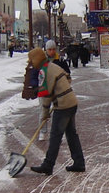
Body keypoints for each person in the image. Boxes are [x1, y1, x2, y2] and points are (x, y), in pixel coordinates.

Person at [28, 47, 85, 175]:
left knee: (55, 136)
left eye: (31, 60)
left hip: (63, 106)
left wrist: (44, 114)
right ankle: (79, 163)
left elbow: (45, 95)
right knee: (71, 134)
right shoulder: (52, 66)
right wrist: (61, 89)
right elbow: (68, 78)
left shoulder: (44, 71)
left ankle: (48, 165)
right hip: (71, 102)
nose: (31, 63)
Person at [38, 40, 71, 141]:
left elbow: (67, 74)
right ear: (46, 50)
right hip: (45, 90)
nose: (51, 51)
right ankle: (42, 132)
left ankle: (58, 133)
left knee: (59, 113)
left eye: (53, 49)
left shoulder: (60, 61)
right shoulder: (42, 61)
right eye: (49, 49)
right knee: (44, 111)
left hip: (58, 91)